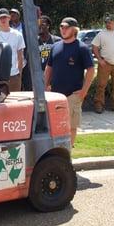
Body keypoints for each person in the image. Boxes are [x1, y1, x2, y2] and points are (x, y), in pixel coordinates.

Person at [44, 17, 94, 147]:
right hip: (55, 96)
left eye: (66, 27)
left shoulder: (82, 48)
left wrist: (84, 91)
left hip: (73, 95)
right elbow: (49, 69)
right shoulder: (55, 47)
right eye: (61, 27)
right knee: (54, 125)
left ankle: (68, 152)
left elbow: (90, 70)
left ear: (75, 30)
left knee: (71, 126)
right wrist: (45, 87)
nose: (63, 29)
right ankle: (57, 151)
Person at [0, 8, 25, 92]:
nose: (3, 19)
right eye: (1, 18)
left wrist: (20, 74)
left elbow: (20, 56)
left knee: (15, 102)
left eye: (5, 17)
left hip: (14, 75)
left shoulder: (18, 35)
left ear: (9, 18)